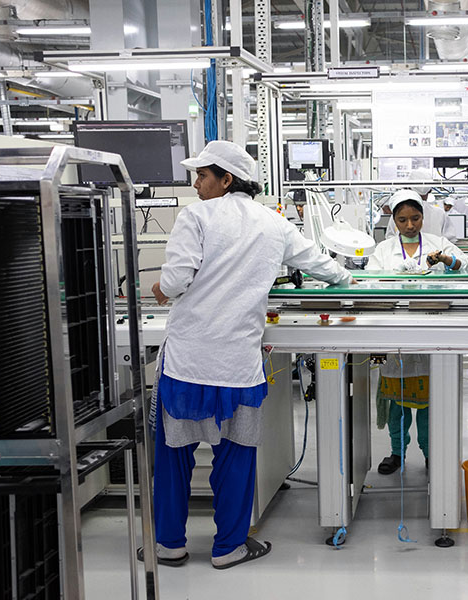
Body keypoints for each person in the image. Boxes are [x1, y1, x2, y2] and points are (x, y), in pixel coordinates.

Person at [145, 140, 352, 569]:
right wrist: (348, 279)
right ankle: (229, 548)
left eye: (203, 175)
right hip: (237, 365)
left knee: (174, 454)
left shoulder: (195, 216)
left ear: (227, 179)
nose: (197, 183)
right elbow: (322, 265)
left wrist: (159, 290)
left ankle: (169, 544)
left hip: (188, 362)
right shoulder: (274, 223)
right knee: (236, 456)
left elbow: (178, 279)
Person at [366, 189, 468, 474]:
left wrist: (447, 261)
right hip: (393, 332)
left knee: (429, 404)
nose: (410, 225)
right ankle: (396, 452)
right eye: (403, 220)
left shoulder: (438, 243)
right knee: (395, 405)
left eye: (415, 218)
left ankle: (430, 452)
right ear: (394, 222)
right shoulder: (383, 250)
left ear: (423, 217)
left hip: (431, 328)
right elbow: (369, 281)